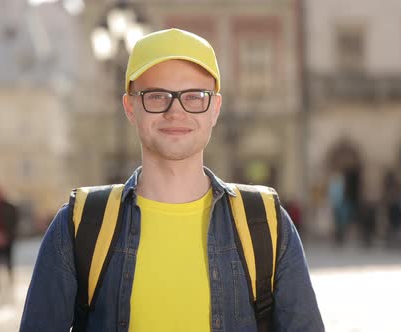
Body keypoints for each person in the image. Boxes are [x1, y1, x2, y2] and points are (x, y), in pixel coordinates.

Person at [20, 28, 324, 331]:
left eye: (195, 97)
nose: (175, 111)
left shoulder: (266, 222)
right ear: (130, 107)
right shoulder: (79, 224)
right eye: (157, 96)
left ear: (215, 109)